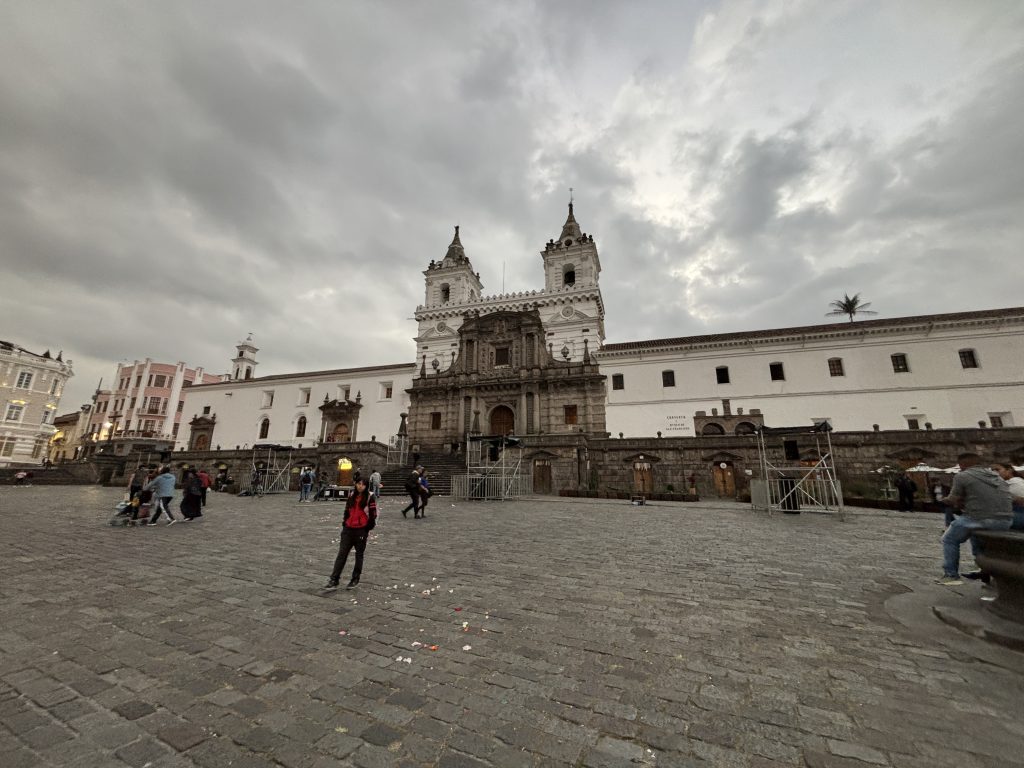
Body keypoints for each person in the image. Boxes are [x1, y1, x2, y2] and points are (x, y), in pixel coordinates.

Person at [938, 453, 1012, 585]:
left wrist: (943, 501)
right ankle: (981, 567)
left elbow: (952, 499)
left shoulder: (962, 476)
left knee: (948, 539)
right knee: (974, 534)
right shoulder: (996, 476)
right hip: (1005, 520)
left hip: (980, 518)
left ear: (962, 464)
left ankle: (951, 575)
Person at [323, 477, 377, 590]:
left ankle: (355, 579)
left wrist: (367, 528)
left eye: (363, 484)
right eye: (358, 484)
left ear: (366, 486)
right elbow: (347, 510)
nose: (360, 486)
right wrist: (345, 523)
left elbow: (373, 514)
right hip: (348, 529)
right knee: (341, 554)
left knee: (359, 555)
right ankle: (334, 579)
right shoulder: (351, 495)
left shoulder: (370, 497)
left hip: (361, 530)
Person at [992, 462, 1024, 531]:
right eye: (992, 470)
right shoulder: (1005, 483)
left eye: (997, 470)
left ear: (1009, 470)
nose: (994, 473)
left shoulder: (1016, 482)